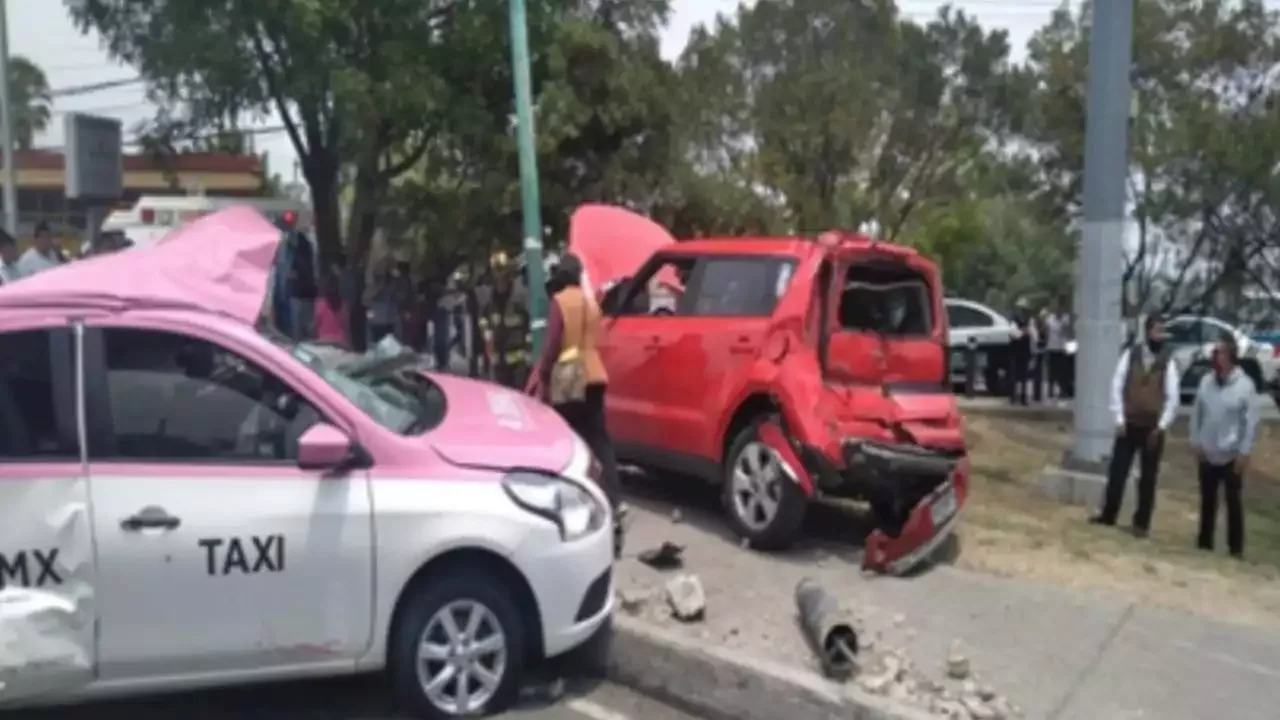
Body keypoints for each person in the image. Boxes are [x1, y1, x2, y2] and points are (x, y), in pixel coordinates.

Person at [527, 254, 623, 513]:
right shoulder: (591, 303)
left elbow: (552, 345)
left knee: (566, 439)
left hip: (569, 377)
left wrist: (543, 376)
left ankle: (570, 499)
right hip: (595, 374)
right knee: (600, 440)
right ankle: (614, 499)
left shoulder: (560, 302)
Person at [1090, 316, 1180, 537]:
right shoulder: (1132, 354)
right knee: (1117, 472)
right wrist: (1119, 419)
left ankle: (1141, 524)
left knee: (1148, 478)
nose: (1161, 335)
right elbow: (1117, 385)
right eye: (1157, 330)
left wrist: (1161, 426)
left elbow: (1173, 397)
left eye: (1163, 331)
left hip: (1152, 428)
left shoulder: (1168, 361)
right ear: (1148, 332)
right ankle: (1108, 515)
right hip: (1128, 424)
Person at [1189, 335, 1259, 559]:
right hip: (1207, 452)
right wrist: (1196, 441)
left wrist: (1244, 452)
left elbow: (1250, 422)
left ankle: (1235, 549)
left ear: (1230, 357)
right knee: (1207, 500)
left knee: (1233, 503)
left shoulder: (1245, 386)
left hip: (1231, 455)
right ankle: (1204, 543)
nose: (1215, 357)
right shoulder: (1205, 382)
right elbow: (1196, 414)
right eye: (1214, 353)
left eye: (1219, 353)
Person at [479, 253, 531, 388]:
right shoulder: (490, 298)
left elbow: (530, 321)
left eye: (502, 276)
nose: (500, 281)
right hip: (498, 362)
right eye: (497, 277)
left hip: (518, 363)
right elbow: (483, 317)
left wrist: (529, 345)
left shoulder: (520, 296)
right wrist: (485, 330)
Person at [288, 232, 319, 340]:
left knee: (298, 325)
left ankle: (298, 343)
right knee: (309, 324)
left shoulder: (296, 256)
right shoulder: (310, 256)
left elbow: (292, 273)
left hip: (298, 294)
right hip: (311, 294)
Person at [1007, 298, 1035, 405]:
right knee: (1013, 374)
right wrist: (1024, 332)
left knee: (1024, 375)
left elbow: (1033, 334)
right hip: (1015, 350)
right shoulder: (1013, 319)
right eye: (1021, 309)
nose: (1022, 311)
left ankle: (1023, 397)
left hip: (1025, 350)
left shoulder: (1029, 320)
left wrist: (1025, 332)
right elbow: (1014, 334)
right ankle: (1012, 397)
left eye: (1024, 309)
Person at [314, 270, 349, 348]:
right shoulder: (345, 305)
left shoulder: (320, 304)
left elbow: (316, 324)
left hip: (324, 343)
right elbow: (346, 325)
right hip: (341, 343)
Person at [1045, 300, 1070, 399]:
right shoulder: (1050, 319)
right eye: (1057, 308)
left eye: (1061, 308)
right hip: (1052, 347)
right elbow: (1047, 332)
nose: (1059, 310)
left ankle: (1063, 391)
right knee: (1052, 371)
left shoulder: (1066, 319)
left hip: (1062, 348)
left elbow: (1068, 332)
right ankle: (1050, 391)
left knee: (1063, 371)